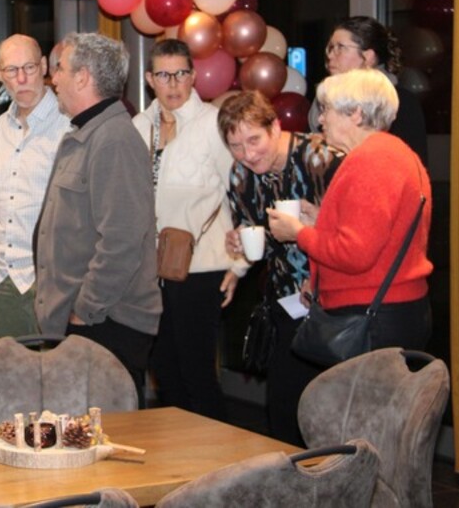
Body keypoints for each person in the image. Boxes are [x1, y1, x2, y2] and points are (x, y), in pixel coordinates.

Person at [35, 32, 161, 405]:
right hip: (86, 321)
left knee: (105, 435)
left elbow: (122, 241)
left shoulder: (114, 139)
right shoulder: (87, 134)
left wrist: (84, 310)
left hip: (106, 322)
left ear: (82, 77)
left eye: (59, 68)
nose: (53, 79)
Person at [270, 68, 432, 351]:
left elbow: (354, 254)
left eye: (327, 110)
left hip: (372, 316)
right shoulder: (394, 153)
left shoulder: (370, 162)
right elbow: (382, 234)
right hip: (393, 308)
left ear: (356, 114)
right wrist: (321, 221)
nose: (320, 119)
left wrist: (298, 233)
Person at [217, 90, 344, 445]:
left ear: (275, 127)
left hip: (334, 300)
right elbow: (253, 231)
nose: (248, 154)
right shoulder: (241, 175)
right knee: (285, 406)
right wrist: (239, 248)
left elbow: (354, 231)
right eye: (236, 146)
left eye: (254, 140)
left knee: (331, 406)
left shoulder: (321, 158)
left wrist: (318, 270)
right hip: (287, 301)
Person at [132, 39, 243, 420]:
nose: (173, 83)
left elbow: (241, 193)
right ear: (150, 79)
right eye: (164, 75)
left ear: (194, 76)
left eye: (181, 73)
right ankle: (180, 452)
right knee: (165, 370)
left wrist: (240, 263)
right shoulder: (139, 127)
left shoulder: (213, 124)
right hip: (151, 268)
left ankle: (217, 453)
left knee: (197, 371)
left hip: (202, 265)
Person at [0, 34, 70, 339]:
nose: (21, 79)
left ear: (43, 66)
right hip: (0, 278)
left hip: (50, 278)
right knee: (7, 366)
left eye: (29, 68)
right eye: (11, 70)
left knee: (54, 365)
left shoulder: (69, 125)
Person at [310, 16, 427, 164]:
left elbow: (407, 164)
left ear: (368, 57)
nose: (330, 55)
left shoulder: (400, 102)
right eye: (330, 48)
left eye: (340, 47)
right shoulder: (324, 98)